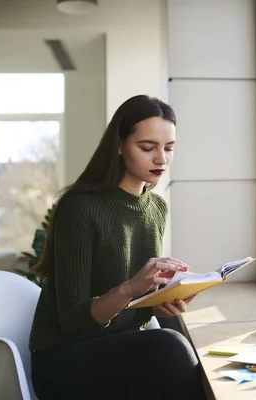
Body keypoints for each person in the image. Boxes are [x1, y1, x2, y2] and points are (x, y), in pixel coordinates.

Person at [28, 95, 207, 400]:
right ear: (120, 145)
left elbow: (141, 305)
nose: (161, 159)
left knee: (193, 346)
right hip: (64, 361)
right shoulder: (80, 209)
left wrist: (163, 302)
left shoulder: (157, 209)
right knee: (171, 349)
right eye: (148, 148)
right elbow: (73, 322)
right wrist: (131, 288)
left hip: (121, 351)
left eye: (169, 148)